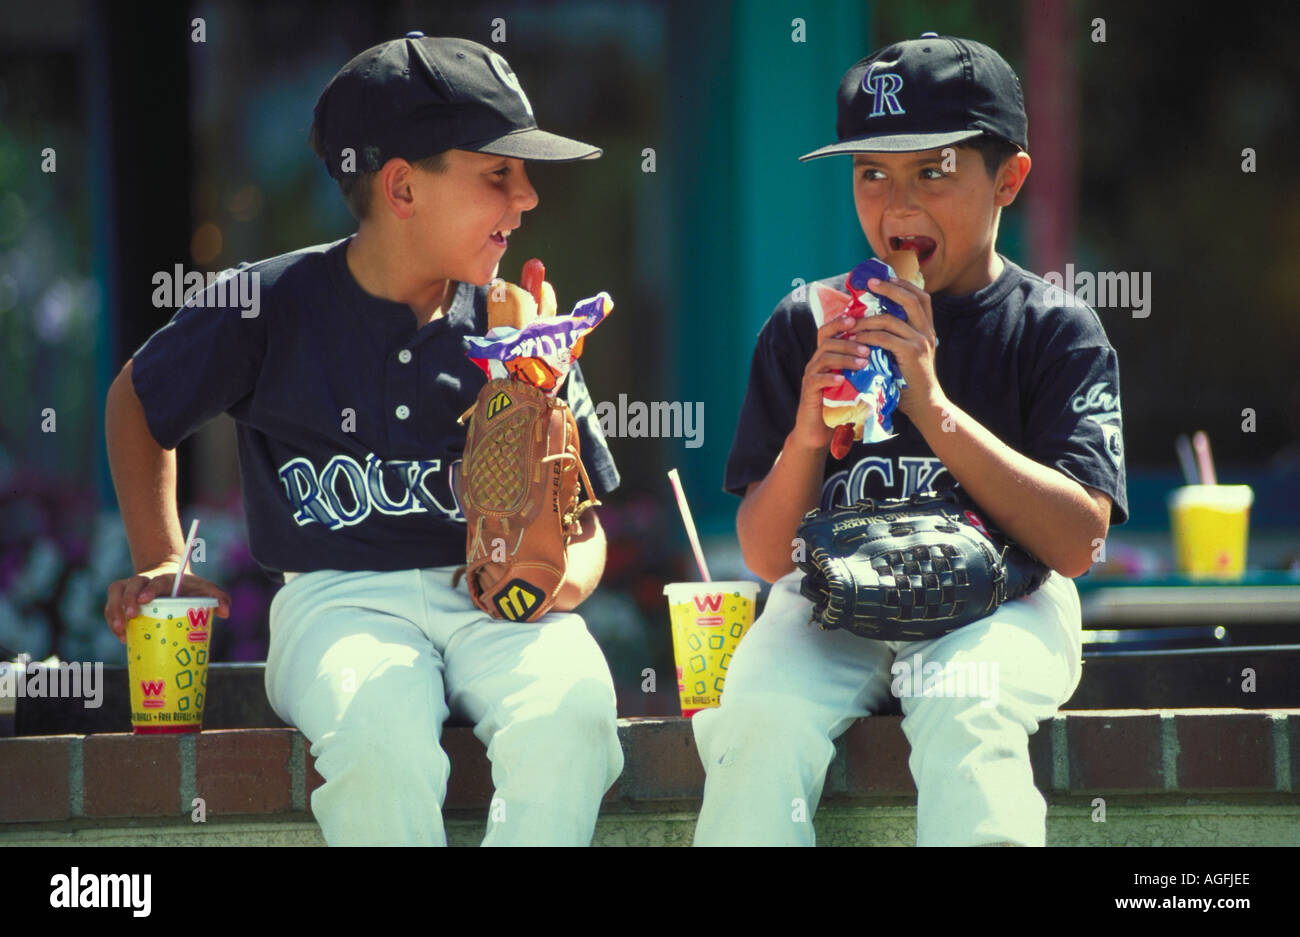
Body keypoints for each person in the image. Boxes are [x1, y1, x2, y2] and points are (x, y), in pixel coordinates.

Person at [102, 33, 623, 846]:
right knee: (379, 747)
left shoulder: (520, 329)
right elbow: (139, 398)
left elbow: (583, 524)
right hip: (337, 598)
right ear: (403, 186)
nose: (526, 197)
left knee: (576, 715)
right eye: (498, 173)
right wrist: (161, 557)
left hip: (500, 605)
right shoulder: (270, 303)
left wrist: (557, 580)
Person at [694, 33, 1128, 846]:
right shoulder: (808, 323)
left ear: (1010, 177)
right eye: (871, 174)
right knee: (753, 721)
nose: (898, 207)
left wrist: (931, 405)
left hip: (1003, 601)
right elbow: (762, 555)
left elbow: (1075, 543)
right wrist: (805, 433)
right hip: (833, 600)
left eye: (933, 171)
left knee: (967, 711)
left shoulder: (1055, 329)